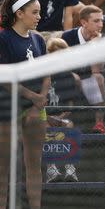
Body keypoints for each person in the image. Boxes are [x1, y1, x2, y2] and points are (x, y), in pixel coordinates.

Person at [0, 0, 50, 209]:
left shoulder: (39, 39)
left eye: (40, 12)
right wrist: (32, 96)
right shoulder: (3, 39)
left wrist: (39, 100)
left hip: (35, 108)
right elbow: (2, 77)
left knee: (34, 163)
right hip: (8, 107)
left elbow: (46, 73)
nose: (38, 17)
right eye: (34, 12)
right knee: (3, 160)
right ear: (19, 13)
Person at [61, 5, 105, 134]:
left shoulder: (104, 39)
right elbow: (63, 65)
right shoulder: (67, 37)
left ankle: (99, 122)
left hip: (91, 80)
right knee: (74, 78)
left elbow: (99, 69)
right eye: (96, 21)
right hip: (70, 78)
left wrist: (95, 47)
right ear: (83, 22)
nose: (100, 25)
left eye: (102, 20)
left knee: (98, 78)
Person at [44, 37, 79, 183]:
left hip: (63, 115)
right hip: (44, 116)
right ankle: (51, 169)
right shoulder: (42, 74)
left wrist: (61, 116)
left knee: (68, 125)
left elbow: (70, 105)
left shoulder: (69, 76)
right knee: (47, 128)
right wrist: (49, 117)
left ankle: (70, 169)